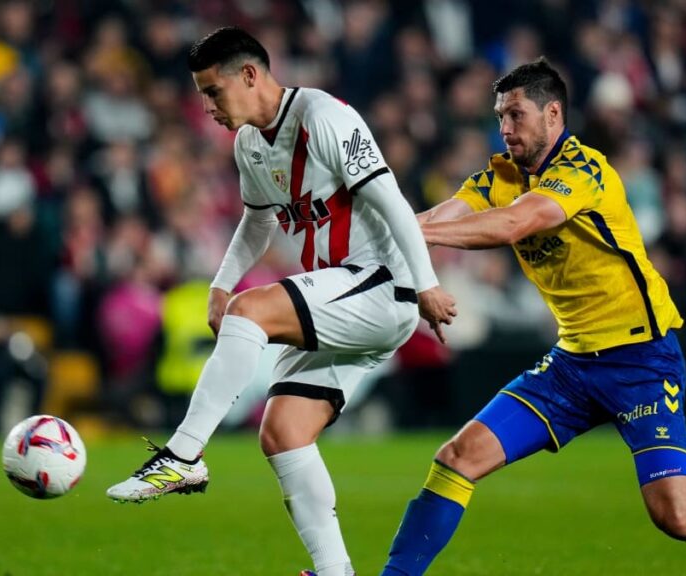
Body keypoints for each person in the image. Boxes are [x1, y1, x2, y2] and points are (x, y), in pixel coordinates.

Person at [380, 58, 686, 576]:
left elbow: (517, 223)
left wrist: (413, 236)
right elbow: (440, 216)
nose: (504, 128)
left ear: (553, 113)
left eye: (516, 115)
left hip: (641, 359)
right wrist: (377, 238)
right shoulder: (498, 175)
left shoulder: (584, 171)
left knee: (677, 516)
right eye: (500, 115)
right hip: (572, 363)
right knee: (458, 457)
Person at [106, 27, 457, 576]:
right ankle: (336, 570)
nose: (207, 108)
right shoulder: (249, 143)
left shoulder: (324, 118)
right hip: (344, 299)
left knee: (253, 311)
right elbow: (257, 220)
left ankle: (181, 456)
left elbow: (390, 198)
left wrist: (427, 282)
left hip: (382, 285)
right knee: (283, 431)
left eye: (213, 92)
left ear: (249, 75)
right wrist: (222, 284)